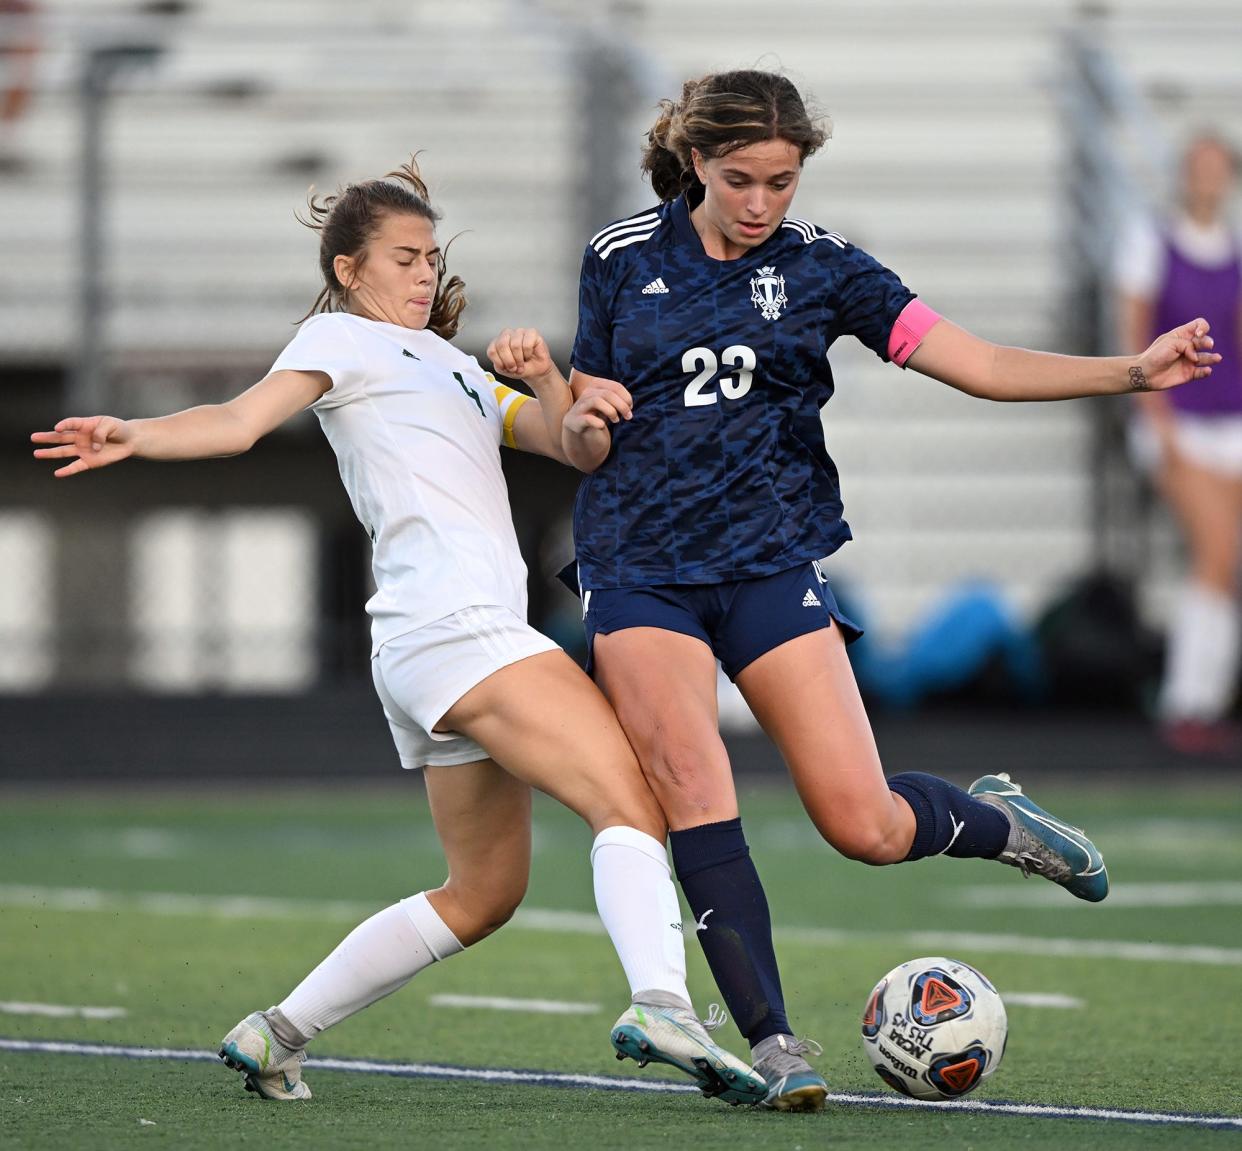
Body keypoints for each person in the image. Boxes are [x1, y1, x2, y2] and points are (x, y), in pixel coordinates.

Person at [31, 160, 767, 1106]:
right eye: (403, 258)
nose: (424, 275)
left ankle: (277, 1030)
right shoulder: (341, 337)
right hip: (459, 632)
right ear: (349, 269)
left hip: (431, 651)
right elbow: (239, 421)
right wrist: (136, 432)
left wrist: (551, 379)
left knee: (483, 893)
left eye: (432, 257)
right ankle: (661, 1000)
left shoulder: (458, 368)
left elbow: (574, 446)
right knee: (632, 801)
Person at [560, 70, 1219, 1112]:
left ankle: (1003, 822)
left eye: (781, 179)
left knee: (864, 825)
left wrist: (1130, 372)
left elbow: (981, 361)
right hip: (640, 569)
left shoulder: (826, 267)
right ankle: (773, 1043)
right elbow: (582, 437)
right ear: (695, 162)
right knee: (695, 786)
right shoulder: (618, 259)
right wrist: (580, 414)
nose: (762, 201)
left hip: (772, 562)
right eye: (741, 179)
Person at [1116, 133, 1242, 755]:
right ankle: (1187, 701)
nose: (1208, 181)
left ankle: (1208, 698)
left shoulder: (1236, 250)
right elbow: (1136, 336)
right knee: (1215, 550)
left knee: (1225, 561)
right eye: (1200, 169)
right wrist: (1157, 423)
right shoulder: (1151, 241)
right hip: (1179, 421)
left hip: (1230, 422)